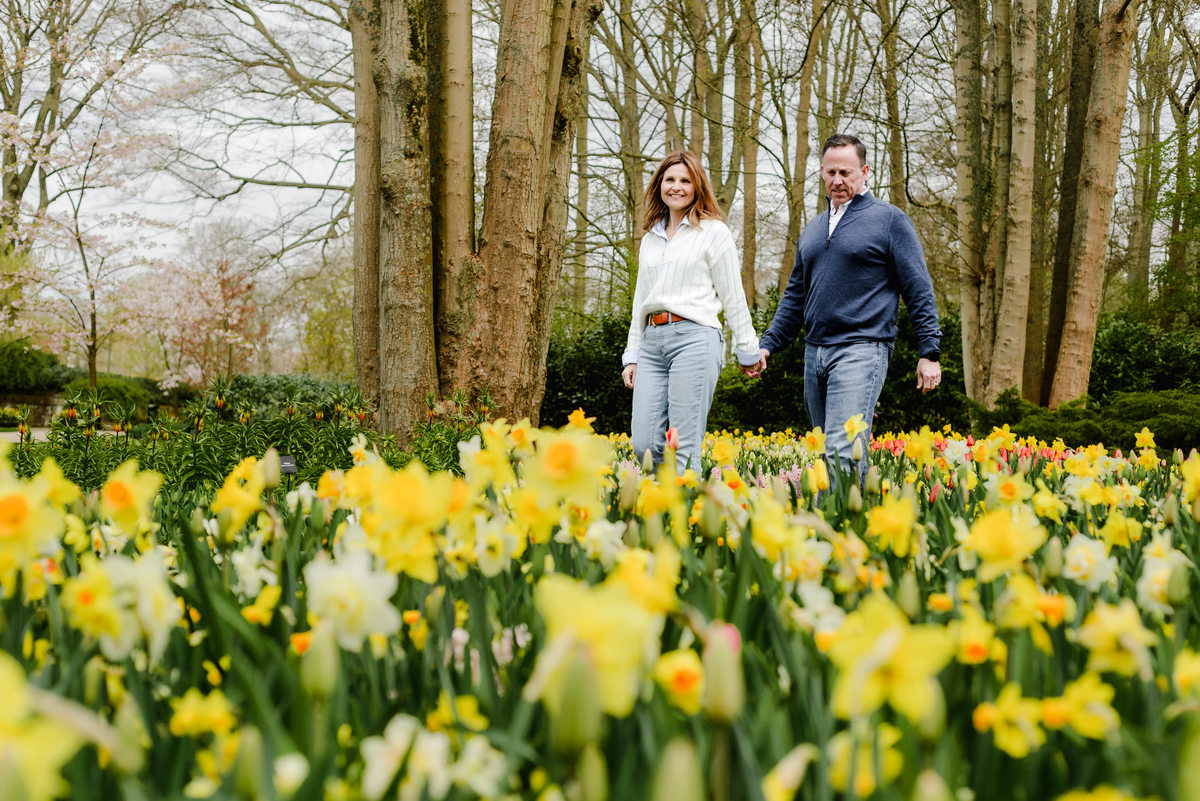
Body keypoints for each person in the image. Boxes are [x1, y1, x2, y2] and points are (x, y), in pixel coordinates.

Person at [753, 133, 942, 477]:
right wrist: (768, 345)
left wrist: (929, 352)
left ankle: (847, 527)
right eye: (830, 173)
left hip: (861, 349)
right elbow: (796, 295)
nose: (837, 181)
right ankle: (836, 525)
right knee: (827, 452)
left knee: (844, 452)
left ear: (864, 171)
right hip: (816, 352)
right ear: (822, 173)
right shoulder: (813, 228)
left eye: (846, 173)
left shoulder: (889, 220)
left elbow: (917, 287)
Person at [622, 151, 761, 473]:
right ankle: (661, 507)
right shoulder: (650, 238)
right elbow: (641, 301)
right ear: (659, 185)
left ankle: (686, 516)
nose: (677, 187)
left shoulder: (713, 232)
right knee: (643, 444)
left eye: (685, 180)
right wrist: (632, 354)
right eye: (670, 180)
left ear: (697, 186)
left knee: (683, 445)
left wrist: (748, 349)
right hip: (652, 343)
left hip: (695, 339)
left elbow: (733, 295)